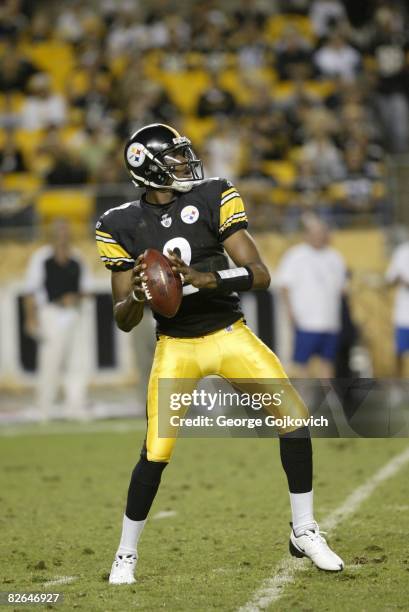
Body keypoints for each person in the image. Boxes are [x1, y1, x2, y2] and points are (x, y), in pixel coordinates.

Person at [95, 123, 344, 585]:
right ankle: (125, 553)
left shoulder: (212, 195)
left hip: (228, 331)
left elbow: (260, 274)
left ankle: (304, 529)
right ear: (146, 169)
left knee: (293, 418)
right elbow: (123, 317)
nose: (185, 164)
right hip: (176, 345)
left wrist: (207, 278)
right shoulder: (118, 224)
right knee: (156, 450)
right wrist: (137, 295)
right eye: (173, 158)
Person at [23, 218, 92, 421]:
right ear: (52, 234)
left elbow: (86, 290)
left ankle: (76, 406)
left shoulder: (78, 258)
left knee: (78, 362)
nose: (62, 234)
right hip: (51, 313)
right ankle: (44, 407)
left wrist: (75, 297)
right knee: (49, 361)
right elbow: (30, 291)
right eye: (59, 230)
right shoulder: (41, 258)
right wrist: (30, 318)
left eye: (65, 230)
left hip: (75, 314)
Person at [277, 215, 347, 378]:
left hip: (330, 321)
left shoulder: (335, 257)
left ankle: (328, 401)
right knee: (302, 363)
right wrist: (290, 312)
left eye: (322, 233)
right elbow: (285, 286)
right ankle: (304, 400)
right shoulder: (295, 255)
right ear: (306, 235)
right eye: (315, 233)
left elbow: (342, 288)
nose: (319, 237)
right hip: (306, 320)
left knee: (327, 362)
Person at [385, 239, 409, 377]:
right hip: (404, 313)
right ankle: (399, 384)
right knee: (399, 352)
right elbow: (389, 279)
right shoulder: (402, 251)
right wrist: (399, 279)